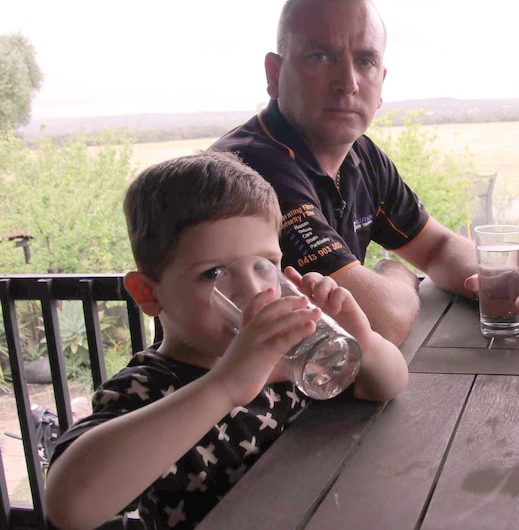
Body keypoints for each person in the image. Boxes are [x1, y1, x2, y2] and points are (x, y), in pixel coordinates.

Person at [44, 152, 408, 530]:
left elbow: (389, 385)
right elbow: (70, 506)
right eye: (213, 273)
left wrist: (360, 337)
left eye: (263, 263)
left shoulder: (291, 356)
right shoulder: (146, 389)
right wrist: (226, 385)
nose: (253, 290)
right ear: (148, 294)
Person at [209, 0, 519, 346]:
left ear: (380, 83)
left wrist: (499, 278)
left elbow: (435, 247)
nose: (347, 82)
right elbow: (383, 321)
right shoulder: (248, 169)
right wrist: (395, 273)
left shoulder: (361, 157)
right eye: (320, 56)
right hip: (231, 398)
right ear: (274, 74)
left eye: (365, 61)